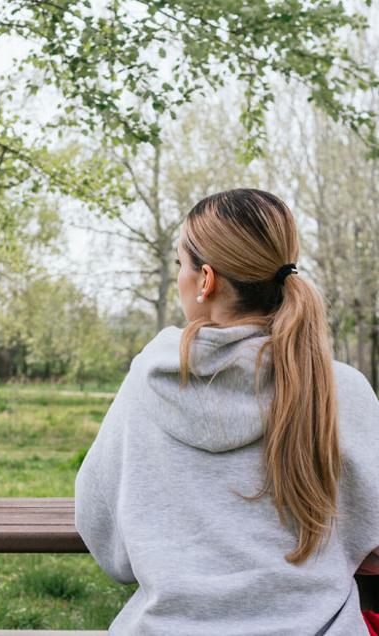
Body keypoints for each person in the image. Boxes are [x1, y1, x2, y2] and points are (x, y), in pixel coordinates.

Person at [74, 188, 379, 635]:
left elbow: (104, 536)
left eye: (181, 263)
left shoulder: (148, 381)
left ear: (206, 280)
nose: (178, 277)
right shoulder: (340, 388)